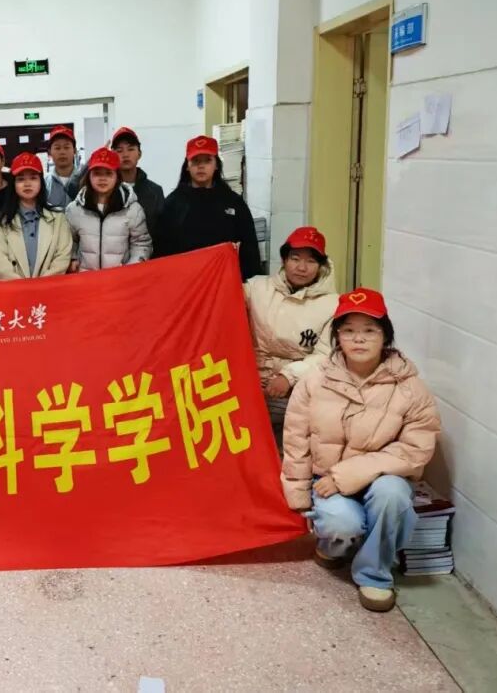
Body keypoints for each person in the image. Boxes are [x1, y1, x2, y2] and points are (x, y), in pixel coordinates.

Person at [282, 288, 440, 613]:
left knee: (393, 495)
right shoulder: (315, 380)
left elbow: (415, 448)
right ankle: (334, 545)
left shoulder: (409, 386)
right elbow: (296, 438)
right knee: (341, 525)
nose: (359, 339)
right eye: (349, 330)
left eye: (370, 330)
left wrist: (348, 475)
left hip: (382, 478)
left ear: (385, 336)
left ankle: (374, 574)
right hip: (324, 479)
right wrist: (298, 494)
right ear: (337, 337)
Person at [245, 226, 338, 445]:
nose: (301, 268)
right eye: (295, 259)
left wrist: (288, 376)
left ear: (321, 265)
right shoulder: (257, 288)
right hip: (248, 384)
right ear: (284, 260)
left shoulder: (333, 305)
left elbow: (325, 355)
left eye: (311, 261)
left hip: (296, 392)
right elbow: (219, 294)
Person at [154, 135, 262, 280]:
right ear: (187, 166)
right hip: (185, 282)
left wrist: (250, 283)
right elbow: (162, 252)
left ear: (216, 165)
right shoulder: (173, 204)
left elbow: (250, 250)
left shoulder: (234, 203)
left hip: (225, 282)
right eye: (196, 161)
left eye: (207, 160)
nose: (201, 166)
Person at [65, 147, 152, 271]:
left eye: (108, 173)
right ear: (89, 176)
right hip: (86, 278)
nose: (102, 178)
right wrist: (73, 258)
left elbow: (141, 244)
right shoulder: (74, 210)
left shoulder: (133, 209)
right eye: (97, 173)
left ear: (117, 176)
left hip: (120, 279)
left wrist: (131, 269)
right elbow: (69, 241)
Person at [0, 153, 73, 280]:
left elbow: (62, 259)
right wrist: (26, 288)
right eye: (21, 179)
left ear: (41, 181)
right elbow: (2, 266)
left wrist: (39, 287)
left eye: (33, 178)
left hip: (50, 288)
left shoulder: (59, 219)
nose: (27, 184)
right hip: (14, 290)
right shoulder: (2, 223)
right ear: (13, 184)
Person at [110, 126, 165, 230]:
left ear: (139, 154)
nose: (125, 154)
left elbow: (162, 230)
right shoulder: (106, 189)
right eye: (119, 150)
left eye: (130, 149)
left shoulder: (155, 191)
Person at [44, 125, 84, 208]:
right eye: (57, 148)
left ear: (74, 151)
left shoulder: (84, 180)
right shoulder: (44, 183)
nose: (62, 152)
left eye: (66, 147)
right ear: (50, 152)